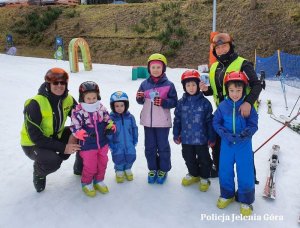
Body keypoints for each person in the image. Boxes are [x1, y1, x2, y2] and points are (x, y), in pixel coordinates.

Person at [200, 32, 262, 177]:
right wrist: (205, 90)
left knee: (242, 145)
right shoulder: (214, 67)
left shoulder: (243, 63)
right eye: (218, 48)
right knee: (218, 142)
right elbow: (217, 90)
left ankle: (248, 175)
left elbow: (256, 85)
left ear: (231, 46)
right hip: (223, 112)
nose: (221, 50)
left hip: (242, 112)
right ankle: (220, 169)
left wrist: (248, 103)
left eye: (224, 46)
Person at [20, 68, 80, 193]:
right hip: (33, 144)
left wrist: (74, 135)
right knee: (53, 161)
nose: (59, 86)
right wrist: (64, 148)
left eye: (62, 83)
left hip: (54, 137)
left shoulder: (68, 99)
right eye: (55, 83)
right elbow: (36, 137)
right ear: (48, 84)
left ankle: (80, 168)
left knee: (83, 135)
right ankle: (39, 172)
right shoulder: (35, 103)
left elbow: (81, 118)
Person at [213, 71, 258, 216]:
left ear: (243, 90)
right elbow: (216, 122)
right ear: (227, 90)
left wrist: (245, 133)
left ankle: (246, 199)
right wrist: (223, 133)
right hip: (227, 143)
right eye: (231, 90)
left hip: (243, 144)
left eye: (238, 90)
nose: (235, 94)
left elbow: (253, 124)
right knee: (225, 169)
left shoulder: (248, 106)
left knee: (245, 171)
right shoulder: (223, 106)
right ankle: (227, 194)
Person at [136, 53, 178, 184]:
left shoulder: (169, 85)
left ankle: (163, 169)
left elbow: (174, 101)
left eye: (158, 67)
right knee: (149, 146)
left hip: (162, 122)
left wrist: (164, 102)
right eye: (153, 67)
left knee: (163, 146)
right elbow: (140, 100)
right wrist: (139, 98)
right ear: (149, 69)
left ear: (163, 69)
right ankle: (153, 168)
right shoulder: (144, 84)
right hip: (148, 122)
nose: (155, 70)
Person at [70, 81, 116, 197]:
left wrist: (111, 125)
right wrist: (78, 132)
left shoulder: (100, 108)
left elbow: (108, 119)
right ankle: (86, 182)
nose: (91, 100)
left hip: (102, 143)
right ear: (82, 97)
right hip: (88, 144)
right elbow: (74, 125)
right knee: (90, 165)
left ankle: (99, 180)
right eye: (88, 98)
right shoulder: (78, 111)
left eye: (94, 98)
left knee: (103, 163)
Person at [173, 70, 216, 192]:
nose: (191, 88)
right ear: (184, 87)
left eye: (193, 85)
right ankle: (193, 174)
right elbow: (177, 119)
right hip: (186, 138)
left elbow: (209, 121)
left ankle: (204, 177)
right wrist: (176, 133)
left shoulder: (205, 103)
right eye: (188, 85)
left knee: (204, 159)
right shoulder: (181, 103)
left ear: (198, 85)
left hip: (201, 139)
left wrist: (211, 137)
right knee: (188, 157)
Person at [108, 91, 138, 183]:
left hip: (129, 143)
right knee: (118, 158)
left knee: (130, 156)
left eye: (122, 105)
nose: (119, 108)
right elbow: (108, 133)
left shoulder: (130, 117)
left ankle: (128, 169)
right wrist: (111, 144)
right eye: (117, 106)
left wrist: (135, 139)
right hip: (117, 143)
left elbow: (134, 128)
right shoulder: (111, 119)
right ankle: (119, 170)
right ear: (113, 106)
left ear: (126, 105)